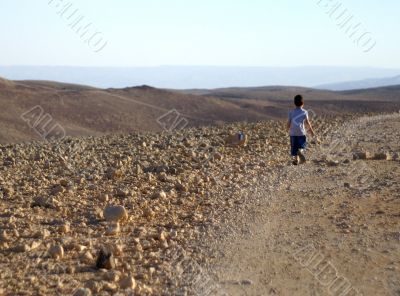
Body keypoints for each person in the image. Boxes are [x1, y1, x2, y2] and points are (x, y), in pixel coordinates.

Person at [287, 94, 317, 165]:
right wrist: (312, 132)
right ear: (303, 103)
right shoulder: (304, 112)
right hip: (301, 133)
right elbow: (307, 123)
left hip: (293, 133)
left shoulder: (291, 112)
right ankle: (300, 151)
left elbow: (289, 122)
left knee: (294, 147)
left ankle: (296, 160)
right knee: (302, 145)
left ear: (294, 103)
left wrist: (287, 129)